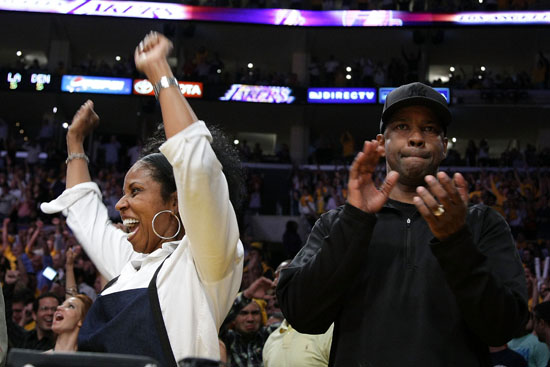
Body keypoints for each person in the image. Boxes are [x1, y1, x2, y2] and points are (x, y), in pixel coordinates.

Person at [277, 82, 528, 366]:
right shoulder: (338, 222)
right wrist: (356, 219)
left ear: (444, 147)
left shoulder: (482, 223)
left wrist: (456, 241)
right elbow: (302, 314)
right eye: (402, 127)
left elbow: (506, 327)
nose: (417, 138)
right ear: (382, 144)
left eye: (430, 129)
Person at [41, 32, 244, 366]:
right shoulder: (127, 263)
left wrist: (159, 72)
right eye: (122, 194)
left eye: (135, 192)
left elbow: (197, 165)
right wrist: (75, 144)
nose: (119, 205)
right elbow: (84, 212)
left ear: (176, 202)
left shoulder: (206, 259)